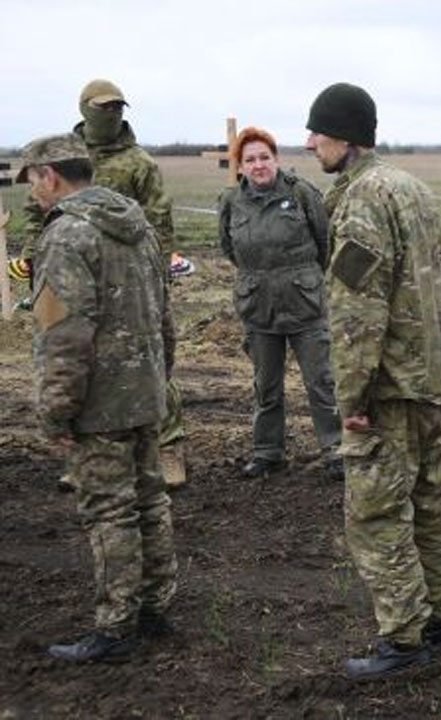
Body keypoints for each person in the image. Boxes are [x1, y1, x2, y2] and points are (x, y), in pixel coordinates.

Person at [304, 82, 441, 679]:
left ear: (343, 136)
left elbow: (356, 309)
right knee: (427, 503)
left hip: (388, 386)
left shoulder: (364, 199)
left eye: (316, 131)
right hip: (426, 378)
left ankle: (403, 639)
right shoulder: (412, 189)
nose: (309, 141)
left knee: (376, 513)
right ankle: (440, 617)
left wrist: (351, 396)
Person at [20, 133, 177, 661]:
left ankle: (116, 625)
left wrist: (56, 411)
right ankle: (156, 606)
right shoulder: (136, 225)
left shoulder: (66, 236)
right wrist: (161, 376)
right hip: (145, 390)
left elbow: (62, 333)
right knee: (151, 499)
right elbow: (164, 313)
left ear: (51, 176)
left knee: (109, 510)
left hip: (100, 404)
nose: (33, 194)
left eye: (33, 181)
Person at [17, 79, 189, 489]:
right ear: (85, 110)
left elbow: (158, 219)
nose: (112, 115)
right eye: (103, 108)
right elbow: (34, 212)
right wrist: (31, 255)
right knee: (79, 355)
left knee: (145, 357)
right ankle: (88, 454)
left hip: (129, 278)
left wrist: (159, 272)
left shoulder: (139, 163)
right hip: (72, 272)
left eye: (118, 108)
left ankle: (167, 448)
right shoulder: (66, 157)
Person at [219, 126, 342, 481]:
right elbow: (229, 249)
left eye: (264, 157)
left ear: (276, 159)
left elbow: (324, 244)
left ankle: (335, 450)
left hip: (304, 302)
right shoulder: (231, 202)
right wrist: (258, 278)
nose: (259, 165)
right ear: (240, 166)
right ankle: (267, 452)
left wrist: (302, 278)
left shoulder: (301, 193)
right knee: (265, 386)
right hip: (258, 306)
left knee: (321, 381)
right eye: (250, 160)